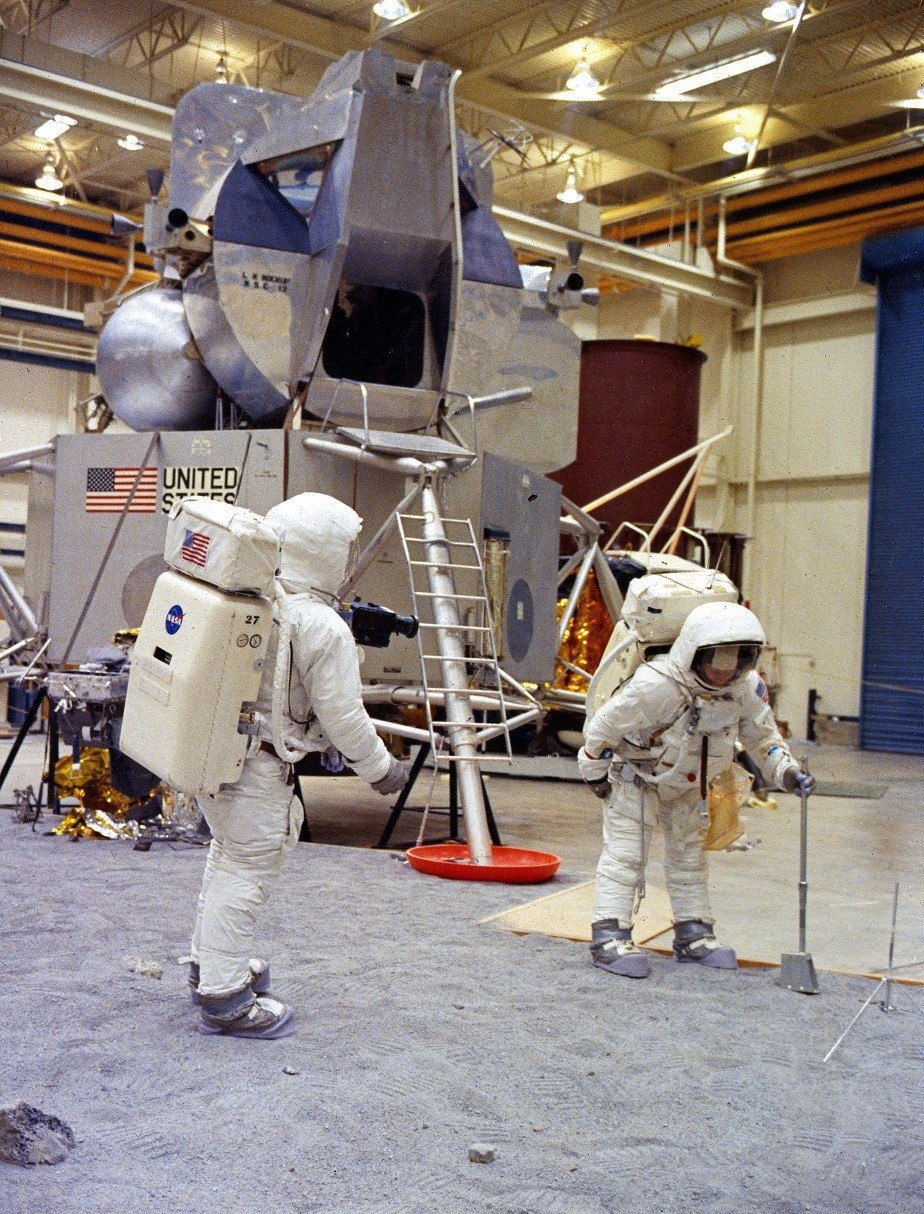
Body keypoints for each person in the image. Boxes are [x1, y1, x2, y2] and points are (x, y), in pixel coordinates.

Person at [188, 493, 410, 1037]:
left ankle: (210, 961)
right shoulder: (318, 625)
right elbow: (344, 717)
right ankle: (224, 995)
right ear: (324, 552)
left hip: (214, 754)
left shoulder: (261, 601)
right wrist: (381, 768)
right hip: (256, 767)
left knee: (228, 858)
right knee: (247, 870)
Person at [578, 601, 814, 979]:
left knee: (690, 861)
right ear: (692, 653)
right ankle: (609, 935)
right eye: (714, 664)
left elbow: (763, 736)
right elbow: (606, 725)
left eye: (735, 662)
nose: (723, 674)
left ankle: (694, 935)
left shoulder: (746, 690)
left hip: (691, 787)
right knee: (626, 857)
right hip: (639, 777)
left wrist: (786, 772)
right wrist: (594, 769)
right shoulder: (657, 684)